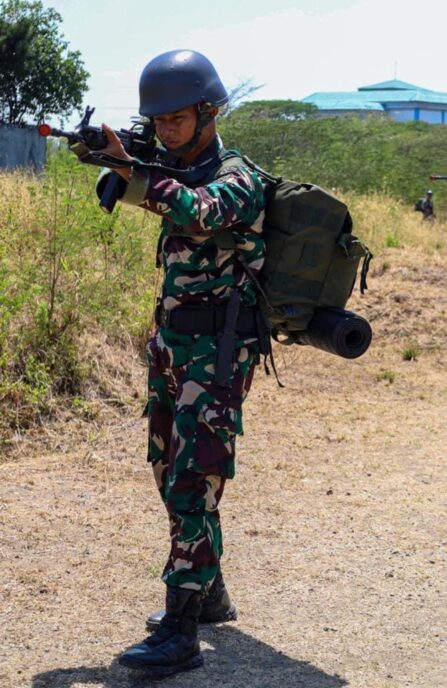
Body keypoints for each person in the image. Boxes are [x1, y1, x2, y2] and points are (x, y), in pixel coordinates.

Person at [78, 50, 267, 676]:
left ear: (210, 112)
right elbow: (166, 191)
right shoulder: (177, 166)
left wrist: (135, 172)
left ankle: (180, 631)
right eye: (156, 121)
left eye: (176, 119)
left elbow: (201, 211)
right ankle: (208, 593)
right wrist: (121, 164)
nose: (165, 130)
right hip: (172, 351)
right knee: (167, 468)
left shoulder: (238, 177)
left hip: (215, 356)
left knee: (194, 482)